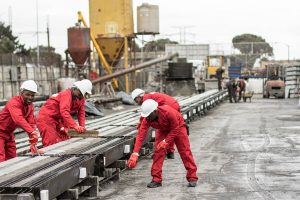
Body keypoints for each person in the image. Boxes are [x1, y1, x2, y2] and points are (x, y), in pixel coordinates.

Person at [127, 99, 198, 188]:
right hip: (163, 130)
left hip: (178, 127)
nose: (148, 118)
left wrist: (166, 141)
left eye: (149, 115)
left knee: (185, 151)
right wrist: (135, 153)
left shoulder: (168, 112)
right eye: (146, 116)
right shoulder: (147, 119)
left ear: (155, 111)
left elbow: (175, 129)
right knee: (158, 152)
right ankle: (156, 179)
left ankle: (192, 177)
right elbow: (140, 136)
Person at [36, 79, 92, 147]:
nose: (82, 96)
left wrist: (82, 127)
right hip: (46, 119)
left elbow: (81, 113)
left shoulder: (80, 98)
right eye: (81, 94)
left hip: (58, 119)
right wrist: (75, 126)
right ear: (75, 89)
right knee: (51, 143)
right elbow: (64, 112)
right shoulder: (66, 95)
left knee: (66, 137)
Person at [0, 80, 43, 162]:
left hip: (9, 133)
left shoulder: (30, 106)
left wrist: (33, 142)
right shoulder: (14, 102)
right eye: (27, 94)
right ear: (21, 93)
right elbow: (18, 119)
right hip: (0, 131)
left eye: (32, 95)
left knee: (12, 158)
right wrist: (32, 132)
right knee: (1, 158)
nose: (30, 97)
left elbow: (30, 123)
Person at [131, 89, 180, 159]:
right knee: (170, 130)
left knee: (163, 131)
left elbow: (149, 111)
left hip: (170, 108)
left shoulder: (146, 99)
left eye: (136, 100)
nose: (136, 102)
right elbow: (148, 111)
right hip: (173, 105)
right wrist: (141, 122)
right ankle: (170, 152)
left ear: (139, 96)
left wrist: (141, 122)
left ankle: (162, 153)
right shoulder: (149, 96)